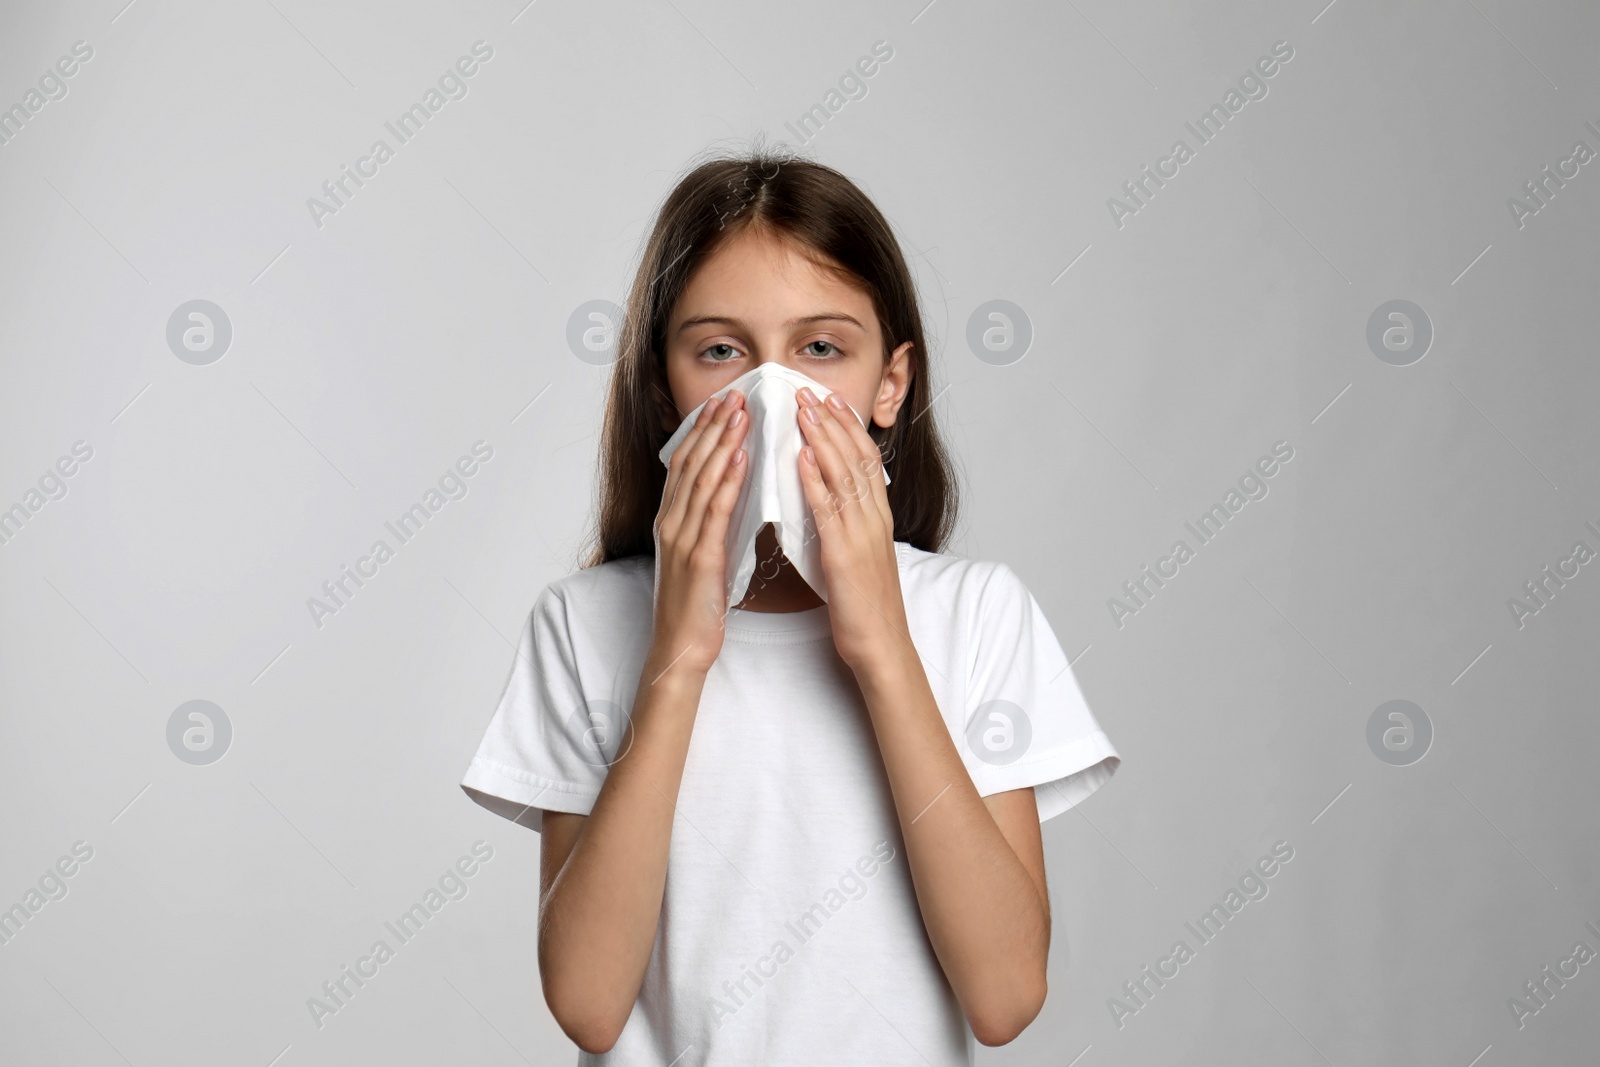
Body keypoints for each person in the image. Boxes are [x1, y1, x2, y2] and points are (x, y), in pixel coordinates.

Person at [460, 143, 1121, 1065]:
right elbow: (587, 1002)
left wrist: (883, 647)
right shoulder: (583, 624)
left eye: (820, 348)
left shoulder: (977, 615)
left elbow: (1005, 996)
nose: (772, 394)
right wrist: (678, 657)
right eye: (723, 351)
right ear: (664, 391)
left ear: (890, 384)